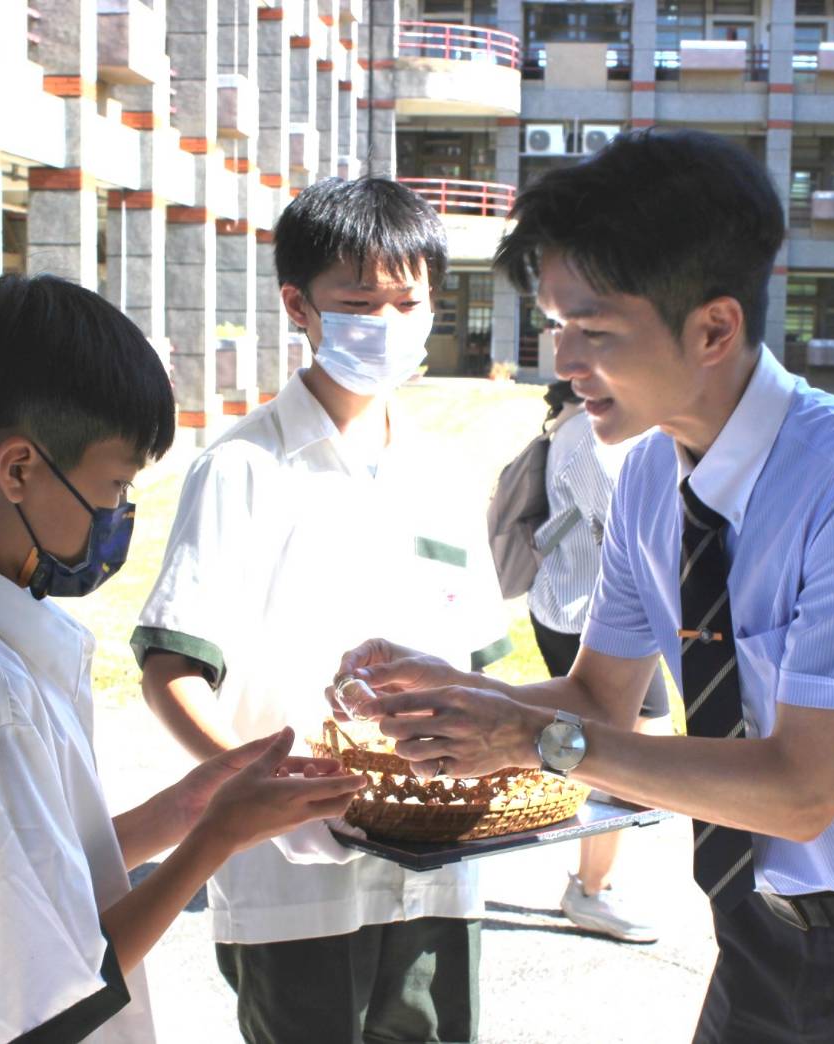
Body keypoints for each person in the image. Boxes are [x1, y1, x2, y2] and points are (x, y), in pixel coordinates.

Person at [332, 130, 834, 1042]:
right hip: (759, 929)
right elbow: (596, 700)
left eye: (594, 331)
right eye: (555, 327)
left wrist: (535, 740)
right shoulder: (653, 483)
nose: (565, 363)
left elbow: (801, 791)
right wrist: (456, 693)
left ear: (713, 328)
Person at [0, 275, 364, 1043]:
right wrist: (217, 839)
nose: (118, 515)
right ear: (17, 470)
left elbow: (18, 875)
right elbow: (56, 1002)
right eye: (114, 484)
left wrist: (183, 811)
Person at [133, 177, 511, 1044]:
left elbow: (485, 674)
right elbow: (172, 668)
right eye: (359, 302)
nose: (388, 322)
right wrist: (255, 786)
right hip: (294, 881)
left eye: (408, 301)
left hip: (439, 866)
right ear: (299, 306)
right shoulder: (243, 468)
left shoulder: (443, 476)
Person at [523, 381, 670, 944]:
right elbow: (618, 524)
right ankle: (591, 891)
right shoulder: (587, 433)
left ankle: (594, 881)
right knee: (619, 752)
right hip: (584, 613)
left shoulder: (582, 426)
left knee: (620, 748)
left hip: (597, 612)